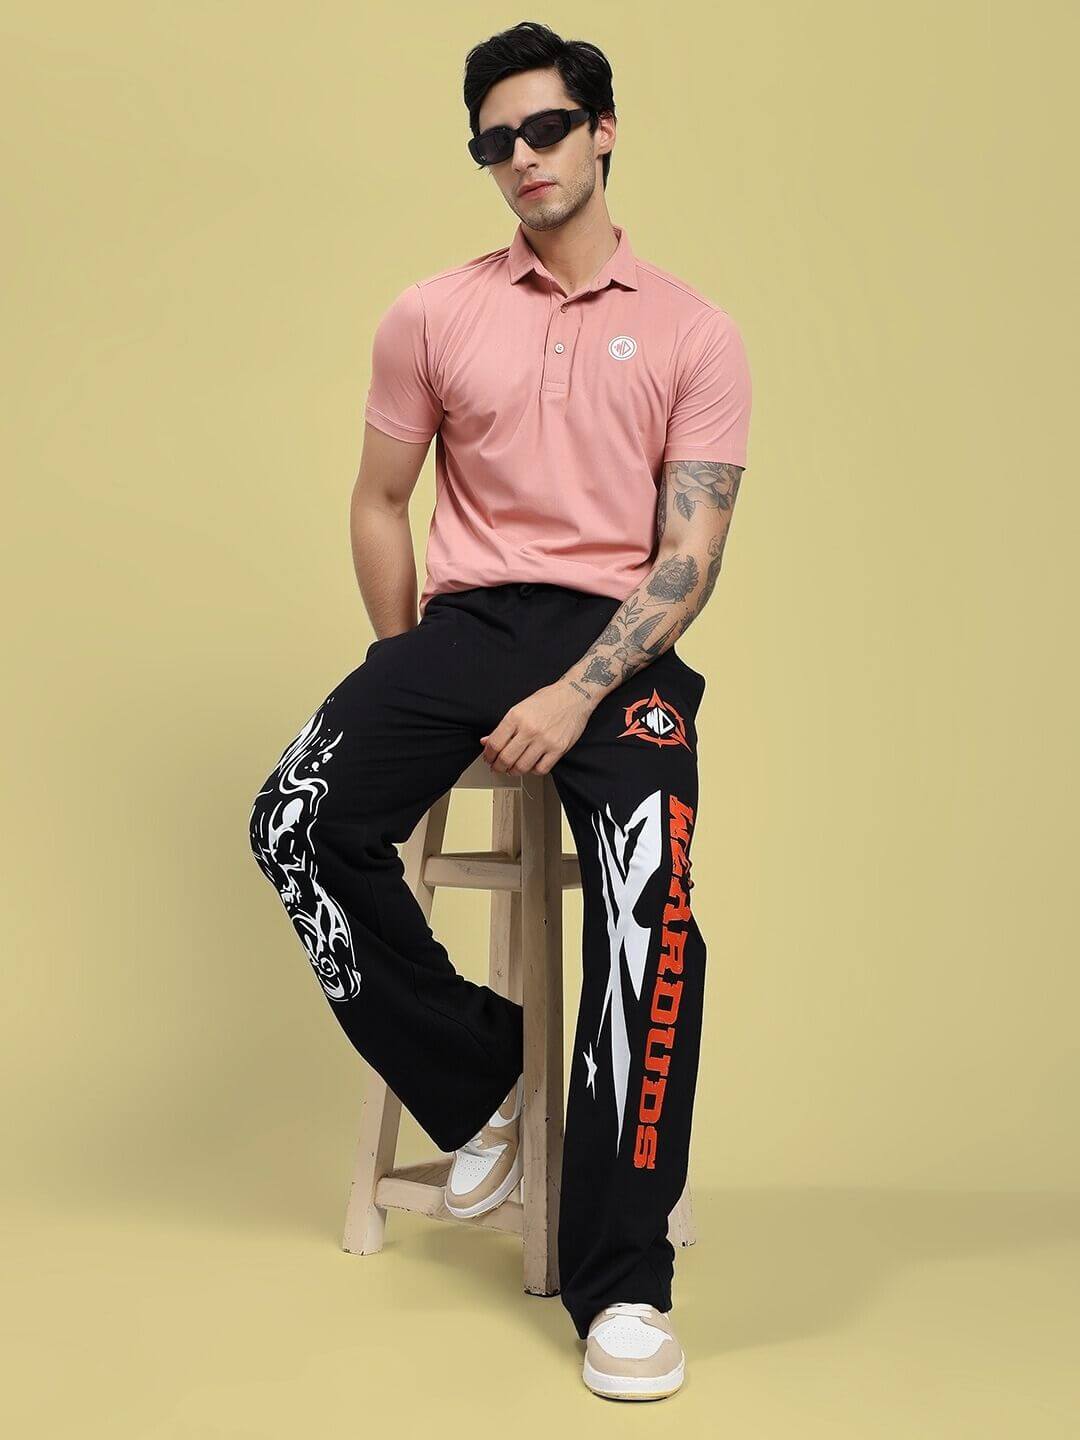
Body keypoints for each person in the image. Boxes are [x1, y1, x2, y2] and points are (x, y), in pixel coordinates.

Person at [248, 20, 751, 1402]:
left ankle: (622, 1278)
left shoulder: (696, 330)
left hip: (620, 647)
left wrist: (572, 693)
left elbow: (688, 562)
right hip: (464, 628)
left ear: (601, 133)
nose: (518, 158)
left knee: (653, 908)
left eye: (542, 129)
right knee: (292, 821)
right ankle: (485, 1080)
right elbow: (377, 500)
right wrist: (405, 671)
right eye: (493, 141)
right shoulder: (432, 312)